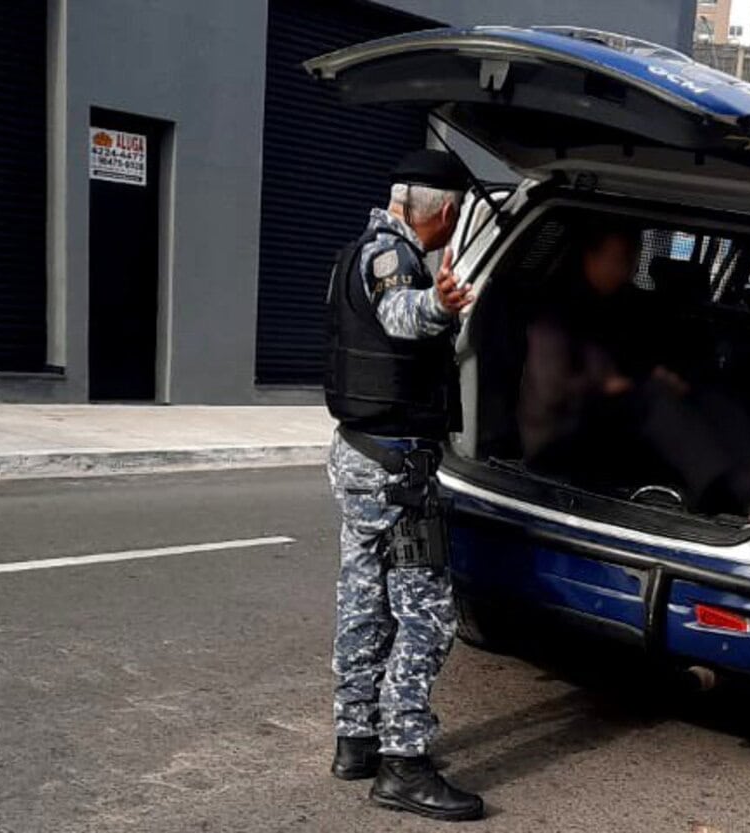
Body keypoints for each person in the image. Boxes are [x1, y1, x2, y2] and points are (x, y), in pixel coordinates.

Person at [323, 148, 483, 822]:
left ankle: (356, 738)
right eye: (457, 214)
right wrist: (440, 304)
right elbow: (399, 315)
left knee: (364, 599)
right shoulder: (394, 257)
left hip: (362, 456)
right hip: (395, 468)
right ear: (442, 212)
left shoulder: (355, 251)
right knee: (428, 614)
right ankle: (404, 764)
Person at [519, 226, 750, 514]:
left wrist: (658, 375)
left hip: (606, 409)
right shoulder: (557, 308)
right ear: (590, 257)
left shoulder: (620, 302)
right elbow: (552, 388)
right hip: (559, 430)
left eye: (631, 260)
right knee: (658, 402)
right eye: (618, 260)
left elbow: (634, 354)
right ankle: (717, 495)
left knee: (710, 397)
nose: (627, 269)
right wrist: (615, 384)